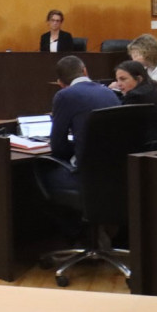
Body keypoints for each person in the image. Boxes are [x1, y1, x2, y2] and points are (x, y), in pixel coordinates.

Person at [38, 55, 121, 207]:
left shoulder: (64, 95)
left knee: (34, 171)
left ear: (60, 83)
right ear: (85, 71)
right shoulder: (109, 92)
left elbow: (58, 146)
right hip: (116, 176)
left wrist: (76, 146)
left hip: (85, 177)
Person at [112, 60, 157, 144]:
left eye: (123, 79)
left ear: (139, 79)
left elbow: (123, 126)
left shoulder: (136, 95)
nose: (119, 84)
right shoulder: (153, 88)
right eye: (117, 80)